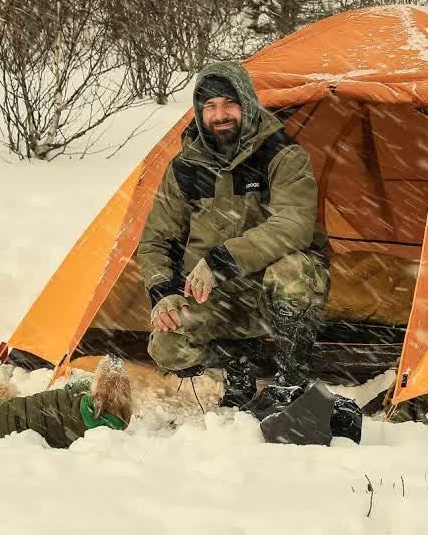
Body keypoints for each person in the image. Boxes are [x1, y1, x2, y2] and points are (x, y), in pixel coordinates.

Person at [137, 61, 330, 407]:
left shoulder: (282, 155)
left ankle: (290, 383)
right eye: (209, 106)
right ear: (198, 113)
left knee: (292, 272)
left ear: (247, 103)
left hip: (267, 287)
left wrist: (221, 260)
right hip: (213, 294)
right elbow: (156, 240)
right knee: (166, 347)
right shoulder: (184, 168)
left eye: (229, 103)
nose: (220, 115)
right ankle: (237, 362)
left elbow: (294, 226)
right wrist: (162, 293)